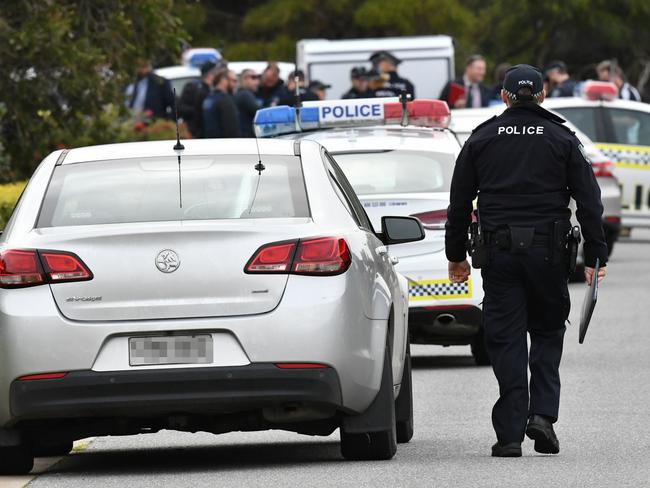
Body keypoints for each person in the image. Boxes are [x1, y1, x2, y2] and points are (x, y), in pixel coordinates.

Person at [445, 64, 608, 458]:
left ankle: (510, 434)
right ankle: (543, 417)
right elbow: (589, 200)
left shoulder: (482, 137)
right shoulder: (561, 137)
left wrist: (455, 257)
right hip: (549, 254)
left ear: (503, 96)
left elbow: (459, 202)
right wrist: (596, 255)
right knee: (548, 333)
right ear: (542, 96)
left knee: (505, 339)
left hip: (499, 255)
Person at [178, 61, 217, 138]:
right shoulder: (193, 88)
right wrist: (198, 110)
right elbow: (181, 108)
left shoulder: (213, 89)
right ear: (210, 75)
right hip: (196, 131)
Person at [202, 68, 241, 138]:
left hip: (210, 143)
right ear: (223, 80)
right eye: (234, 81)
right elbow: (232, 130)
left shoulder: (208, 98)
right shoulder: (225, 100)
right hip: (224, 145)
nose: (235, 85)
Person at [235, 69, 261, 137]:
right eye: (253, 77)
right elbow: (259, 112)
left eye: (258, 77)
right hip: (246, 138)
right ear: (244, 79)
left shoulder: (239, 93)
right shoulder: (245, 94)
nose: (257, 81)